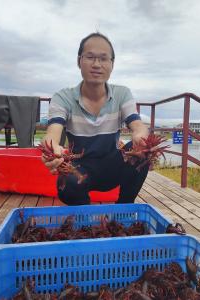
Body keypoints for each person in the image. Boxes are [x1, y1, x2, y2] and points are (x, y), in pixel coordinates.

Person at [42, 32, 149, 205]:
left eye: (104, 58)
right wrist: (52, 148)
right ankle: (84, 218)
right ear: (79, 61)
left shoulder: (122, 93)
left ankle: (124, 208)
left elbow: (138, 125)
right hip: (80, 169)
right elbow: (52, 132)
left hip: (113, 165)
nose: (97, 64)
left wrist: (140, 136)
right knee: (67, 182)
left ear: (112, 64)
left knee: (143, 153)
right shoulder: (63, 97)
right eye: (90, 57)